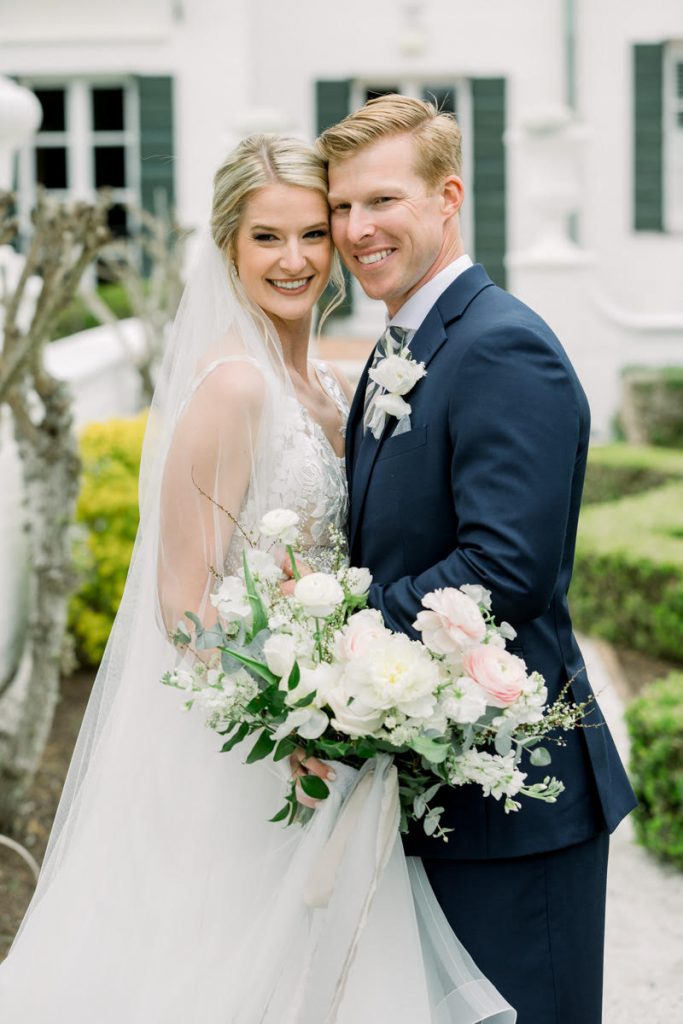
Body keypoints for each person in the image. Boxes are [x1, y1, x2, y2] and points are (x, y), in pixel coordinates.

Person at [0, 134, 516, 1023]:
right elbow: (183, 598)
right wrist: (279, 725)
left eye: (313, 233)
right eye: (266, 238)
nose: (295, 259)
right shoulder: (234, 389)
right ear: (229, 248)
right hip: (259, 746)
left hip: (335, 723)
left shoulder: (327, 382)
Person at [318, 93, 638, 1024]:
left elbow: (505, 572)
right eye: (342, 207)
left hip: (518, 807)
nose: (354, 228)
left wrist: (337, 631)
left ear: (446, 196)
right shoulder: (403, 344)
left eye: (381, 201)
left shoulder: (499, 346)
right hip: (438, 782)